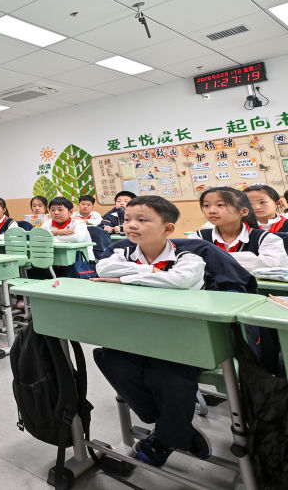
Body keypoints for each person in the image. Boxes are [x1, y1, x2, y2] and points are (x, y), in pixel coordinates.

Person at [91, 196, 210, 467]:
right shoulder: (120, 253)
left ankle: (165, 437)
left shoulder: (189, 258)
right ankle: (176, 427)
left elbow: (180, 280)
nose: (131, 225)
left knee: (168, 375)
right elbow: (104, 268)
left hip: (182, 337)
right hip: (135, 335)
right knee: (109, 358)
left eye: (142, 220)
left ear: (168, 228)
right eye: (127, 219)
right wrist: (152, 272)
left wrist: (124, 279)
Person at [195, 186, 288, 273]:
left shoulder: (265, 237)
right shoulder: (199, 236)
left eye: (220, 205)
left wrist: (213, 258)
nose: (211, 211)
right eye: (206, 205)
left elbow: (275, 266)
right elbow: (192, 264)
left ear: (244, 211)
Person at [40, 196, 93, 264]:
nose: (56, 213)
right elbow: (38, 237)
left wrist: (50, 237)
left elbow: (77, 238)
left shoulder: (79, 223)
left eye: (60, 210)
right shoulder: (47, 224)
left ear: (70, 212)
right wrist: (55, 232)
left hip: (81, 262)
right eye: (52, 210)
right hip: (54, 262)